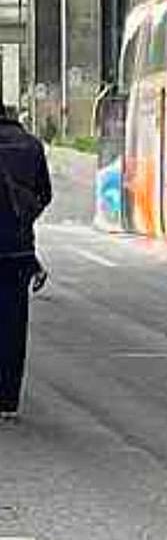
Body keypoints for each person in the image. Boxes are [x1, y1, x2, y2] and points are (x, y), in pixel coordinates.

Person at [0, 102, 52, 420]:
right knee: (13, 328)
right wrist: (23, 221)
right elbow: (44, 194)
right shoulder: (31, 145)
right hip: (18, 252)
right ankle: (7, 401)